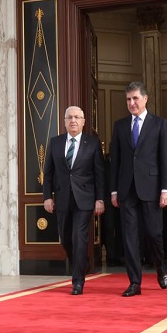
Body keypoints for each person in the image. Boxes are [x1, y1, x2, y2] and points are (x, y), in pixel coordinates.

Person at [110, 81, 167, 297]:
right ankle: (135, 282)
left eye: (135, 98)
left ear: (145, 99)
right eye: (128, 99)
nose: (132, 103)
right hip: (126, 190)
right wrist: (114, 191)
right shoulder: (119, 126)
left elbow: (165, 159)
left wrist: (166, 189)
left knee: (154, 234)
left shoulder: (160, 124)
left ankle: (160, 267)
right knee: (130, 238)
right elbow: (115, 161)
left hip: (151, 188)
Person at [43, 106, 105, 295]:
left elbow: (99, 173)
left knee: (79, 236)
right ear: (64, 121)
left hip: (84, 199)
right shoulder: (55, 142)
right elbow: (48, 173)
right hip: (62, 198)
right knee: (65, 238)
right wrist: (47, 197)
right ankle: (81, 262)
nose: (73, 120)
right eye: (69, 117)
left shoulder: (92, 143)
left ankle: (77, 281)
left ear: (83, 121)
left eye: (77, 117)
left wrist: (100, 199)